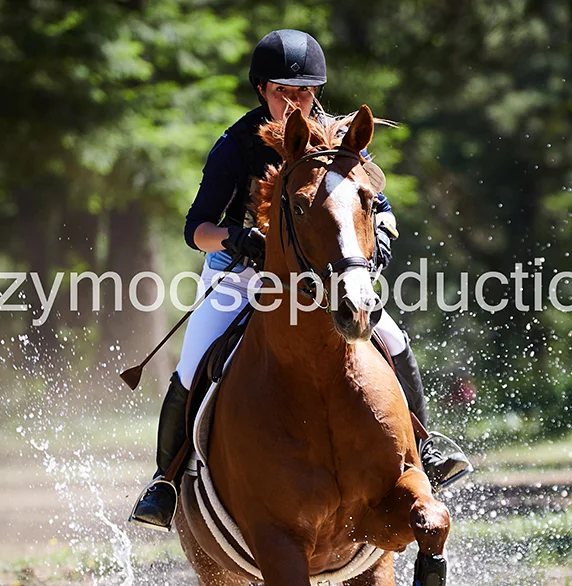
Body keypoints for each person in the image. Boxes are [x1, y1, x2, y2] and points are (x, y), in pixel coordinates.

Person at [130, 29, 472, 531]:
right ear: (261, 90)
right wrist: (236, 238)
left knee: (393, 340)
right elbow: (195, 229)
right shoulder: (235, 146)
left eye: (305, 92)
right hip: (243, 276)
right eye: (282, 92)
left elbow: (379, 206)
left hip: (324, 277)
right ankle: (166, 480)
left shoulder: (338, 140)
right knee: (193, 361)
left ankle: (425, 450)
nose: (294, 102)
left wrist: (381, 233)